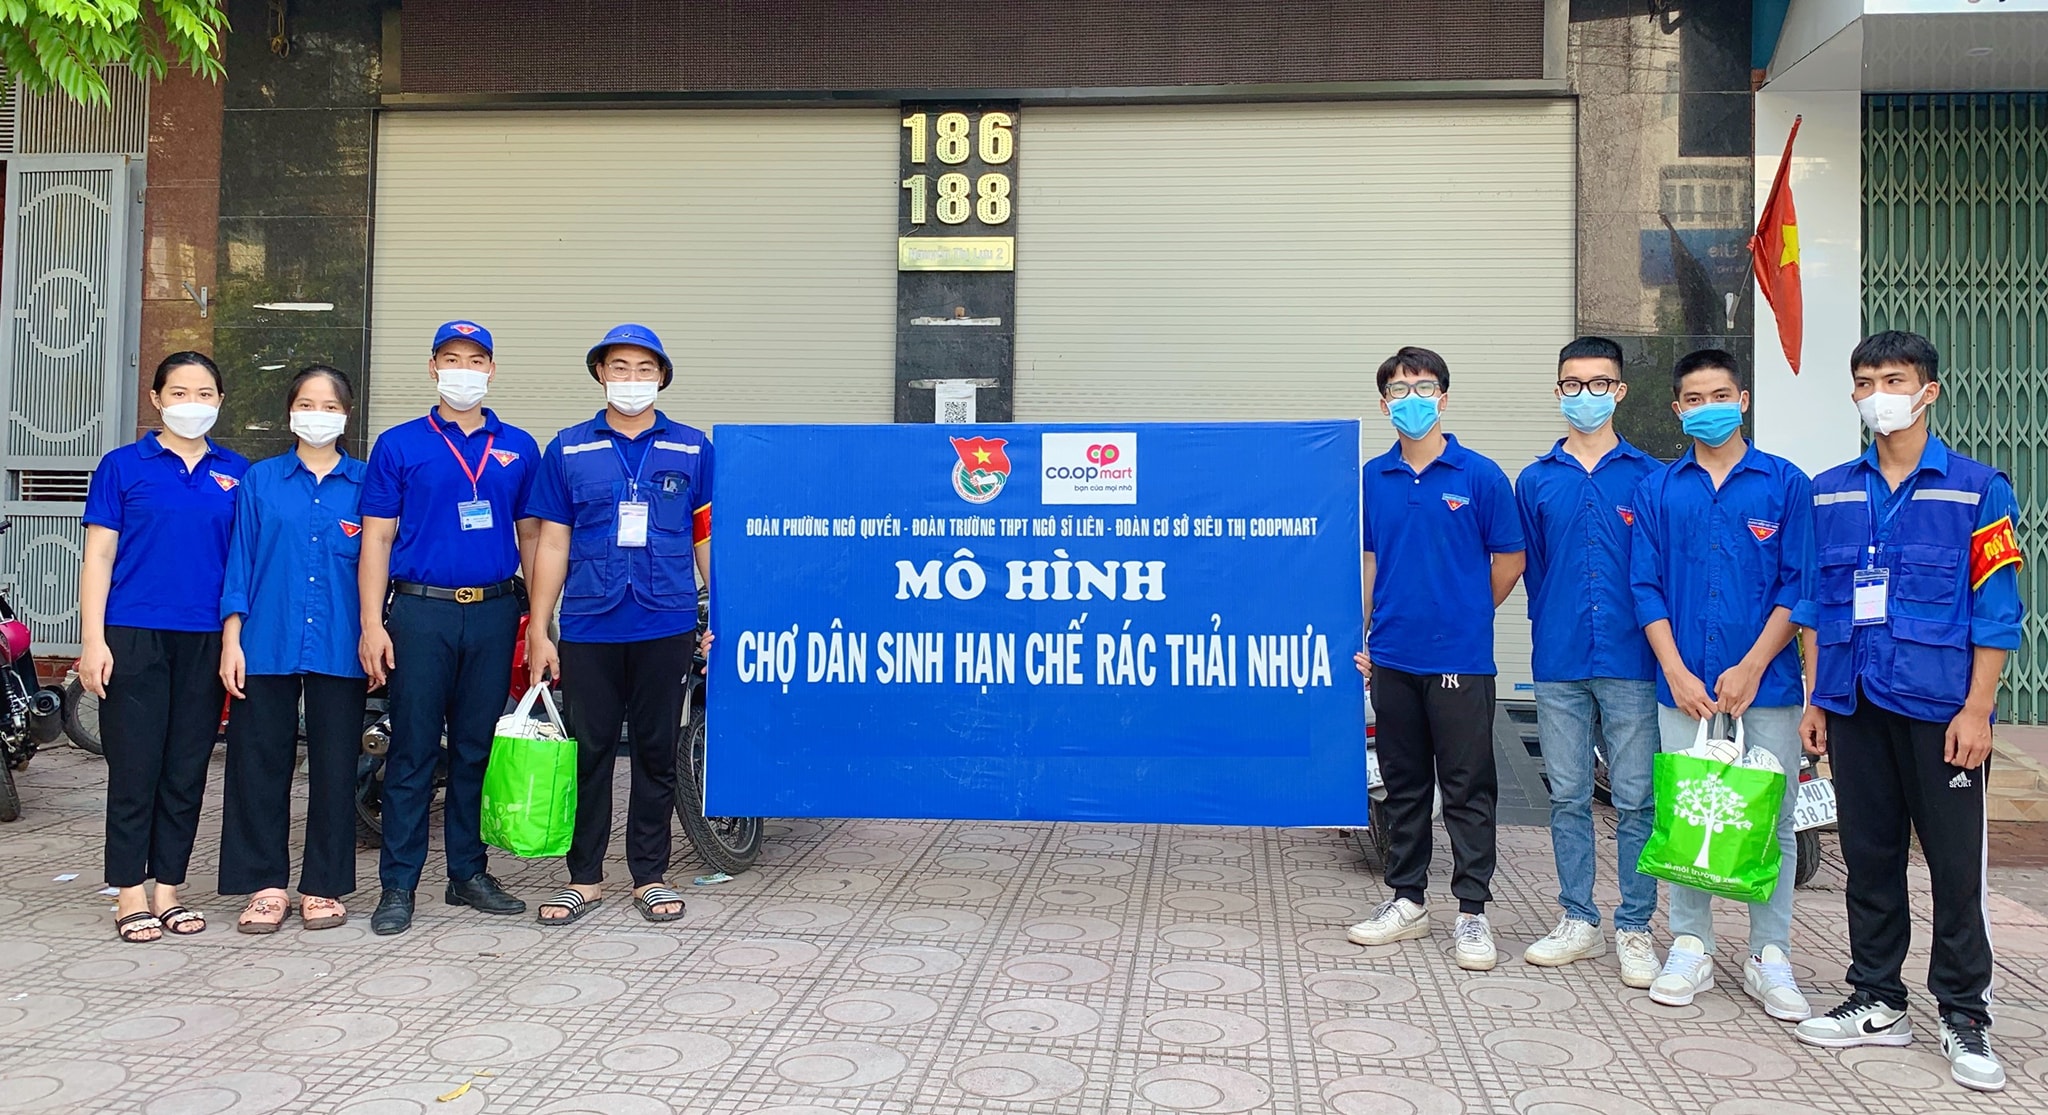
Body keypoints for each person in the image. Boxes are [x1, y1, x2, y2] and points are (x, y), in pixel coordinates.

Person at [1791, 331, 2022, 1093]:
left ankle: (1964, 1012)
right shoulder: (1831, 490)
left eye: (1893, 379)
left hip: (1941, 709)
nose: (1877, 395)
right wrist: (1819, 699)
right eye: (1864, 382)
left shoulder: (1977, 489)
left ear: (1928, 391)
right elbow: (1819, 606)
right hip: (1856, 701)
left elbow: (1997, 610)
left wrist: (1978, 709)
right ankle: (1878, 997)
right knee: (1870, 858)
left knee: (1955, 868)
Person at [1630, 348, 1813, 1021]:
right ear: (1677, 409)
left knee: (1773, 818)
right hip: (1684, 687)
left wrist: (1755, 664)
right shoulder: (1658, 489)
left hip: (1768, 684)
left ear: (1743, 401)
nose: (1707, 408)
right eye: (1694, 399)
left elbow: (1799, 585)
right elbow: (1644, 585)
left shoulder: (1785, 484)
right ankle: (1690, 944)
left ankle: (1771, 953)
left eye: (1720, 396)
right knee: (1687, 810)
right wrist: (1676, 671)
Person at [524, 324, 712, 926]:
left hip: (665, 620)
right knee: (590, 753)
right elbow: (553, 543)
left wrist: (723, 613)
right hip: (590, 623)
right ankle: (584, 877)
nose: (632, 379)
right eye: (620, 368)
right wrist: (539, 628)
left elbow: (705, 537)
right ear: (601, 374)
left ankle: (650, 875)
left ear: (662, 378)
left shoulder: (692, 448)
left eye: (644, 369)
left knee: (656, 753)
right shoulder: (568, 449)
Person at [358, 321, 541, 935]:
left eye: (476, 359)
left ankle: (468, 873)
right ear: (433, 367)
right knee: (412, 751)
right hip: (421, 612)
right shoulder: (398, 444)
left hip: (494, 612)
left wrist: (540, 624)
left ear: (492, 370)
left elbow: (533, 537)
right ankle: (398, 884)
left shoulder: (519, 446)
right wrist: (372, 623)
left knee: (475, 749)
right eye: (452, 358)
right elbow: (377, 538)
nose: (464, 370)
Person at [1347, 346, 1525, 971]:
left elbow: (1510, 560)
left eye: (1423, 388)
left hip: (1460, 660)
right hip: (1393, 658)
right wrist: (1365, 636)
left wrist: (1468, 613)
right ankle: (1407, 899)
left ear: (1443, 398)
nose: (1412, 400)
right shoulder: (1372, 476)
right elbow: (1370, 561)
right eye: (1399, 391)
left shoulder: (1480, 475)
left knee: (1467, 786)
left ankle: (1472, 912)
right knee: (1403, 785)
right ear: (1384, 404)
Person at [80, 352, 250, 942]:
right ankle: (130, 892)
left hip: (205, 637)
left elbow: (241, 564)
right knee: (136, 766)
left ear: (220, 401)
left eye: (204, 394)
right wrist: (93, 640)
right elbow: (99, 556)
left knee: (186, 767)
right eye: (179, 392)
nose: (191, 404)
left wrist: (233, 639)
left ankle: (170, 889)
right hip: (133, 633)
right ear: (156, 399)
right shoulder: (122, 467)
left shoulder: (237, 472)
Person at [1514, 336, 1662, 986]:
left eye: (1598, 383)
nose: (1585, 395)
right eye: (1573, 384)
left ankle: (1635, 925)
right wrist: (1554, 623)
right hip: (1560, 657)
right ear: (1558, 392)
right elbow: (1535, 570)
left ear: (1620, 391)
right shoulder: (1536, 480)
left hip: (1633, 659)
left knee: (1635, 799)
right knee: (1568, 795)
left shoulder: (1651, 477)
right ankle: (1578, 917)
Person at [216, 366, 368, 933]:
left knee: (335, 767)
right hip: (266, 641)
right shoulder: (260, 480)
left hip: (341, 645)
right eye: (306, 404)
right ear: (290, 412)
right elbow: (239, 560)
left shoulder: (367, 484)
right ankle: (264, 886)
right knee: (258, 765)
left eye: (329, 406)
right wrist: (232, 639)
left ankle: (324, 886)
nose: (317, 415)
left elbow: (382, 565)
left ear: (346, 415)